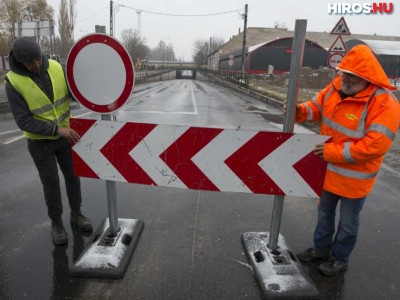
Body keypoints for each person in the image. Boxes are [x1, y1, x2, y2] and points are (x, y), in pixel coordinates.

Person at [286, 45, 400, 276]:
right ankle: (320, 250)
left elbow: (376, 145)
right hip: (328, 171)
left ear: (366, 77)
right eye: (344, 72)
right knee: (324, 215)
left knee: (348, 224)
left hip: (354, 180)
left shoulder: (385, 103)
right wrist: (298, 111)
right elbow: (315, 108)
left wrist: (332, 153)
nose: (345, 78)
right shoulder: (335, 88)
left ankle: (340, 259)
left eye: (351, 75)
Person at [5, 37, 93, 246]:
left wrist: (93, 96)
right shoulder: (13, 82)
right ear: (19, 62)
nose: (36, 65)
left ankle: (77, 215)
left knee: (73, 177)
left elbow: (74, 92)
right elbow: (23, 120)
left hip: (66, 136)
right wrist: (56, 130)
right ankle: (57, 224)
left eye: (38, 59)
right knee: (51, 183)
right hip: (40, 142)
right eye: (30, 63)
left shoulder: (55, 67)